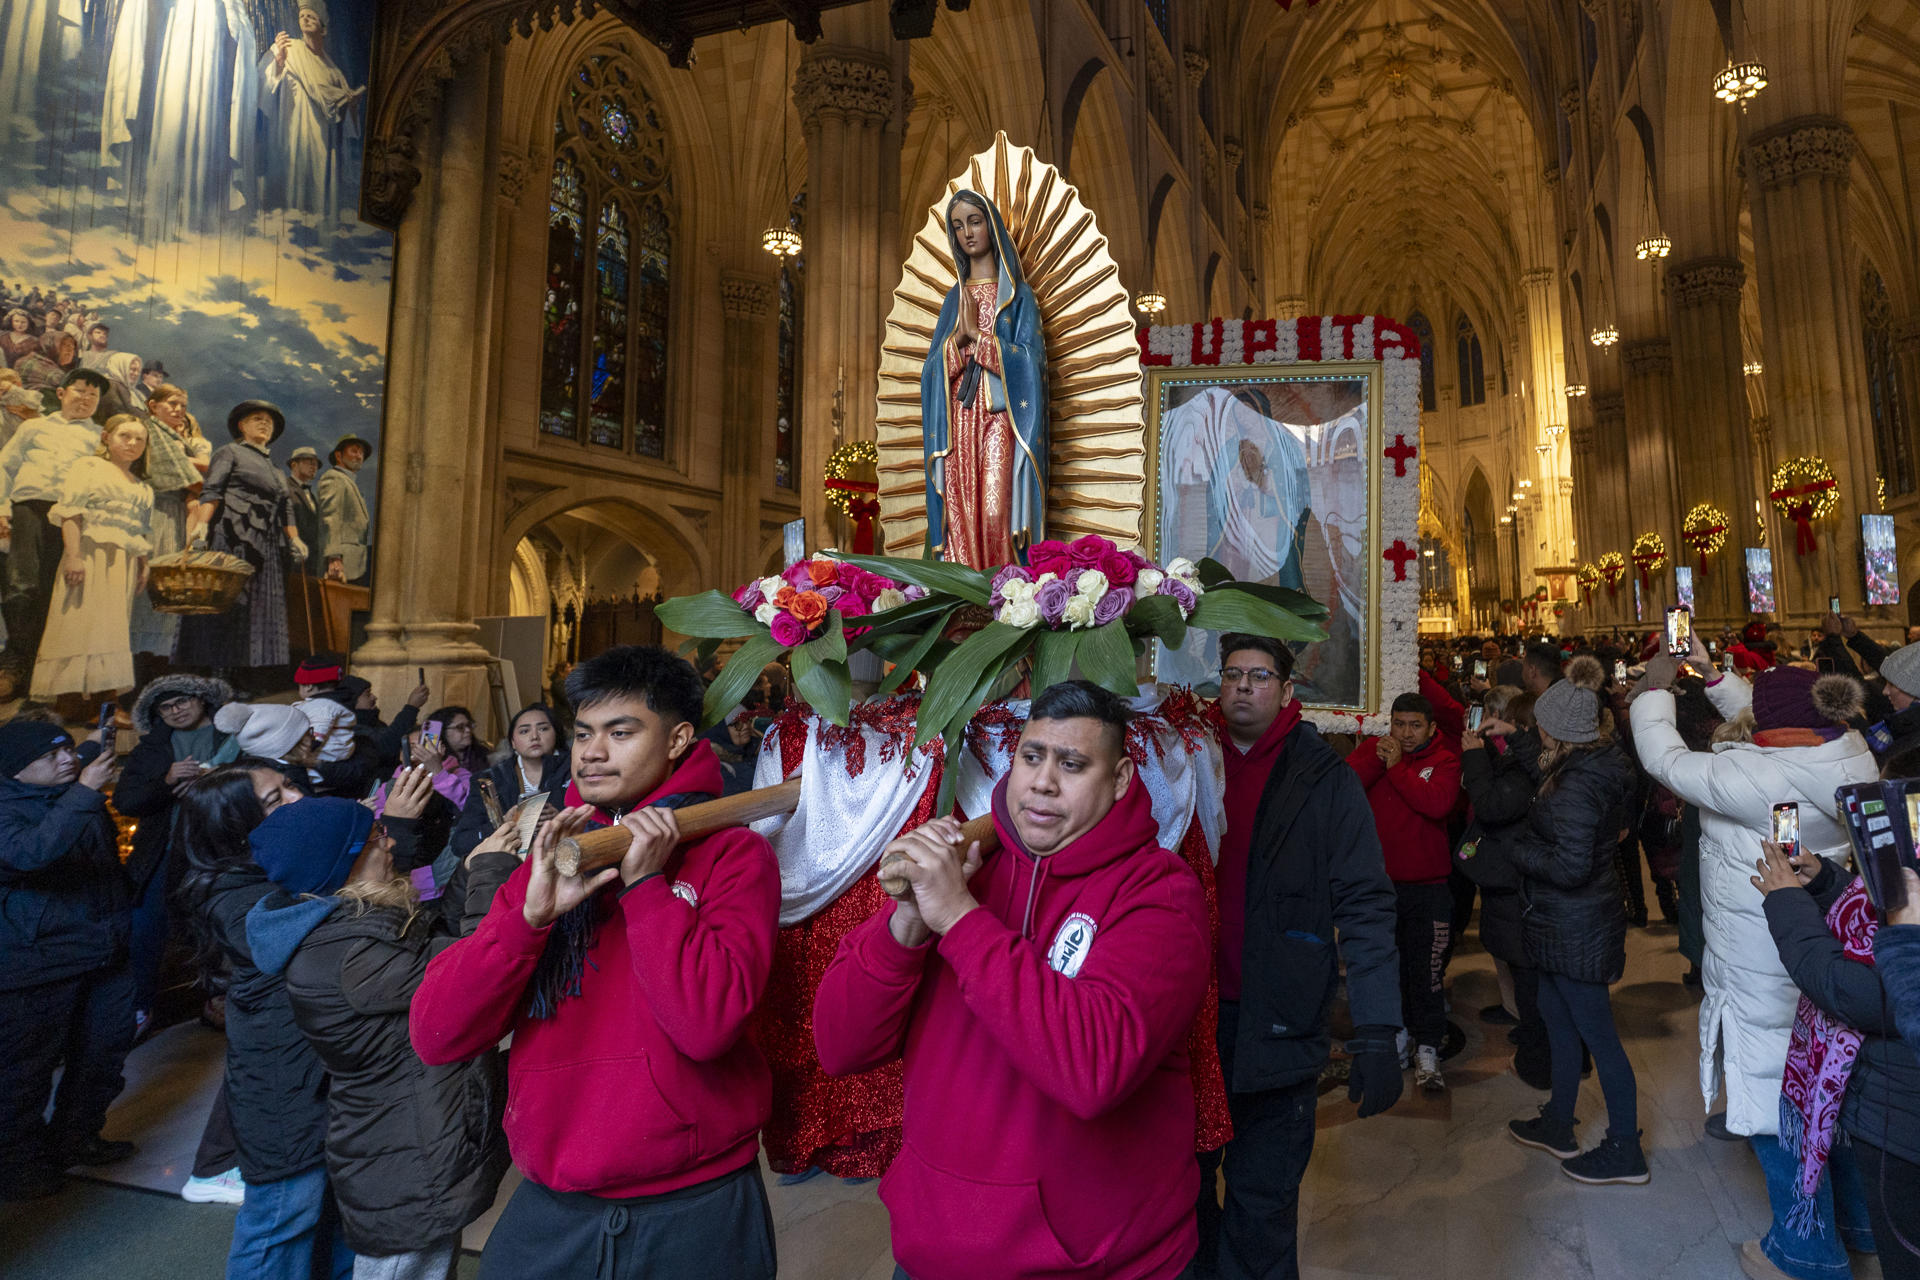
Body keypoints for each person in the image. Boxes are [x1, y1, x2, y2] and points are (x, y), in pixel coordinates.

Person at [814, 680, 1210, 1280]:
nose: (1043, 782)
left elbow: (1093, 1072)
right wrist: (908, 925)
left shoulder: (1160, 892)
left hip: (1094, 1264)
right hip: (931, 1252)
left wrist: (960, 920)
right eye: (1032, 757)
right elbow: (839, 1046)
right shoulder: (967, 869)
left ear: (1123, 778)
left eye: (1073, 764)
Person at [410, 645, 782, 1280]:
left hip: (695, 1205)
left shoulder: (733, 856)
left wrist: (646, 891)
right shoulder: (557, 852)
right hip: (554, 1204)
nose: (591, 752)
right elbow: (437, 1033)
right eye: (582, 733)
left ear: (679, 738)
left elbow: (706, 1025)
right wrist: (525, 924)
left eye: (621, 731)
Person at [1631, 646, 1879, 1276]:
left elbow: (1665, 758)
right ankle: (1861, 1227)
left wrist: (1656, 687)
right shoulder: (1840, 754)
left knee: (1779, 1106)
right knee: (1832, 1093)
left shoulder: (1756, 779)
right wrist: (1715, 677)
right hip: (1822, 947)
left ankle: (1806, 1252)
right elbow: (1771, 713)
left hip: (1765, 961)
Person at [1196, 634, 1403, 1280]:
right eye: (1232, 675)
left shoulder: (1324, 779)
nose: (1243, 687)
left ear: (1288, 691)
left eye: (1260, 676)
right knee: (1183, 1207)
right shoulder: (1184, 760)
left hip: (1280, 1022)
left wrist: (1375, 1027)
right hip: (1190, 1026)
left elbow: (1366, 904)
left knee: (1263, 1211)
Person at [270, 765, 511, 1280]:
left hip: (407, 1133)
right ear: (347, 862)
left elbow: (432, 941)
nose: (388, 835)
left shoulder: (347, 922)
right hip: (404, 1151)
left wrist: (469, 870)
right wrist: (492, 871)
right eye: (376, 831)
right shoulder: (348, 953)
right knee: (404, 1268)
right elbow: (470, 969)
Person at [179, 773, 368, 1279]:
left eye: (288, 784)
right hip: (283, 1081)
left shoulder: (280, 873)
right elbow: (327, 935)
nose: (298, 798)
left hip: (317, 1069)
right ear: (240, 828)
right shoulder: (238, 897)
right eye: (275, 799)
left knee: (336, 1212)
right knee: (284, 1216)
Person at [1505, 659, 1643, 1184]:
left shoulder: (1578, 786)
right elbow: (1551, 772)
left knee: (1597, 1036)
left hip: (1575, 922)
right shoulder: (1594, 760)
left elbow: (1568, 865)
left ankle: (1625, 1148)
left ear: (1554, 730)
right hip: (1566, 922)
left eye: (1537, 725)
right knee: (1556, 1017)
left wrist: (1521, 852)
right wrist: (1514, 745)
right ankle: (1559, 1122)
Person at [1754, 839, 1914, 1280]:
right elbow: (1875, 921)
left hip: (1902, 1118)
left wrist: (1787, 903)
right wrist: (1827, 883)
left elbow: (1857, 990)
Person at [0, 720, 131, 1201]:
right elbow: (28, 854)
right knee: (24, 1071)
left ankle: (76, 1138)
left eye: (69, 750)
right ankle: (15, 1165)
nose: (67, 760)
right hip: (38, 959)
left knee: (101, 1054)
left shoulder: (71, 792)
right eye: (51, 755)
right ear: (16, 767)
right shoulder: (9, 805)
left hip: (102, 949)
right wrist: (85, 794)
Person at [917, 190, 1047, 568]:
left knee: (994, 514)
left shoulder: (1018, 298)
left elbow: (1031, 363)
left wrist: (982, 340)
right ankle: (962, 608)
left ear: (991, 225)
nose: (967, 233)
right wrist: (957, 341)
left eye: (974, 221)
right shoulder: (953, 300)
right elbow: (930, 374)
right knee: (960, 515)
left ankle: (1001, 599)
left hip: (1000, 420)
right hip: (958, 422)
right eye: (958, 226)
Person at [1346, 691, 1462, 1091]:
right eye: (1398, 724)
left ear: (1430, 728)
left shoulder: (1444, 761)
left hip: (1429, 890)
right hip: (1382, 889)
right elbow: (1345, 786)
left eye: (1414, 725)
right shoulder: (1378, 754)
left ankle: (1428, 1049)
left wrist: (1397, 769)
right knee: (1387, 972)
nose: (1405, 733)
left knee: (1427, 975)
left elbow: (1437, 804)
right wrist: (1373, 757)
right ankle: (1395, 1040)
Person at [111, 674, 239, 1034]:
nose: (175, 710)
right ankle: (140, 1008)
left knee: (217, 926)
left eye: (182, 701)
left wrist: (215, 778)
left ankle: (220, 1002)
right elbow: (126, 801)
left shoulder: (231, 739)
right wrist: (165, 781)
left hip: (219, 849)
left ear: (202, 701)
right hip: (164, 852)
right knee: (146, 929)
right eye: (165, 707)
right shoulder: (151, 749)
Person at [1457, 687, 1549, 1086]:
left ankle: (1538, 1060)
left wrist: (1476, 758)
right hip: (1514, 882)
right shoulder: (1525, 763)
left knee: (1533, 983)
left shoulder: (1530, 771)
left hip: (1520, 884)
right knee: (1525, 976)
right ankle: (1537, 1043)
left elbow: (1494, 807)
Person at [0, 368, 112, 695]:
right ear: (61, 394)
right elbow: (5, 466)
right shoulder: (33, 427)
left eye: (93, 395)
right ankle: (15, 660)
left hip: (73, 518)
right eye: (79, 391)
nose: (86, 398)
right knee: (21, 585)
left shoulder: (100, 436)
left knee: (58, 592)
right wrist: (3, 508)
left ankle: (45, 669)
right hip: (29, 509)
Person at [31, 415, 154, 700]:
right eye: (125, 435)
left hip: (122, 562)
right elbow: (71, 513)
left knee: (110, 625)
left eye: (140, 439)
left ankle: (102, 697)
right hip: (88, 552)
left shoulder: (143, 487)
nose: (132, 443)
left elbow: (139, 530)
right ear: (106, 437)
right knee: (78, 617)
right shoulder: (88, 467)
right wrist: (73, 556)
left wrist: (143, 565)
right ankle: (70, 697)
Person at [178, 402, 305, 677]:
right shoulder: (230, 452)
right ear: (241, 425)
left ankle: (241, 675)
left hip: (266, 543)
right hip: (232, 535)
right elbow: (212, 491)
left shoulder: (276, 471)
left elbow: (286, 509)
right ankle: (216, 674)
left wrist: (295, 539)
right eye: (257, 419)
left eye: (268, 422)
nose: (264, 424)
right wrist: (202, 525)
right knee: (230, 602)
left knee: (257, 609)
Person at [260, 0, 367, 223]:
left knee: (317, 182)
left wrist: (351, 103)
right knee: (293, 179)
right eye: (302, 16)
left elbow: (347, 118)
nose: (305, 19)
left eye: (312, 16)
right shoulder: (290, 49)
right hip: (293, 127)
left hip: (322, 137)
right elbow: (262, 83)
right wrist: (278, 62)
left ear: (323, 27)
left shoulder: (333, 70)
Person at [131, 384, 213, 667]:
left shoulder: (174, 437)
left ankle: (158, 662)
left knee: (170, 586)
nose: (179, 410)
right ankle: (140, 665)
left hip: (176, 512)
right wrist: (210, 488)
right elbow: (192, 480)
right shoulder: (151, 432)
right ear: (153, 406)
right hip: (157, 510)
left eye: (183, 406)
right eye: (172, 404)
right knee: (152, 580)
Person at [449, 703, 568, 862]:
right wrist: (503, 823)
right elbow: (460, 843)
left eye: (543, 729)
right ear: (513, 742)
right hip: (511, 869)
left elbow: (600, 823)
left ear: (556, 734)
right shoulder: (490, 779)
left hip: (563, 859)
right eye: (524, 731)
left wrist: (562, 819)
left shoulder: (576, 769)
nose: (534, 736)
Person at [317, 434, 372, 584]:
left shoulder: (349, 482)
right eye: (354, 451)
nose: (359, 456)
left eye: (361, 453)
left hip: (353, 566)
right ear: (338, 455)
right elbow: (330, 517)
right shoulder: (334, 478)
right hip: (339, 566)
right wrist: (334, 557)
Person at [284, 446, 327, 576]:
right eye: (309, 462)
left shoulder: (312, 495)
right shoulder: (284, 487)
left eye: (316, 464)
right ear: (294, 464)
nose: (314, 467)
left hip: (311, 565)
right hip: (290, 562)